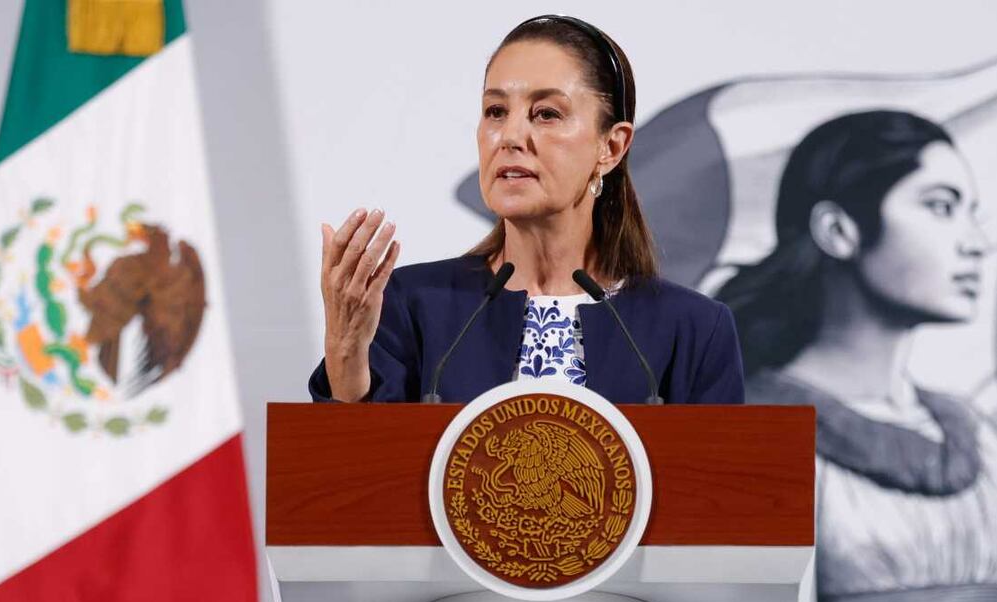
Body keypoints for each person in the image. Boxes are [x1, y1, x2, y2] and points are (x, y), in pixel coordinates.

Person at [309, 15, 744, 405]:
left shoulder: (693, 329)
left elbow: (725, 490)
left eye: (546, 114)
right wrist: (345, 359)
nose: (510, 135)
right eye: (496, 111)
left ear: (611, 147)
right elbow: (351, 478)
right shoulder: (410, 306)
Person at [716, 110, 997, 602]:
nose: (977, 244)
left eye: (973, 214)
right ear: (839, 231)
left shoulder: (980, 435)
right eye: (940, 208)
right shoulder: (751, 437)